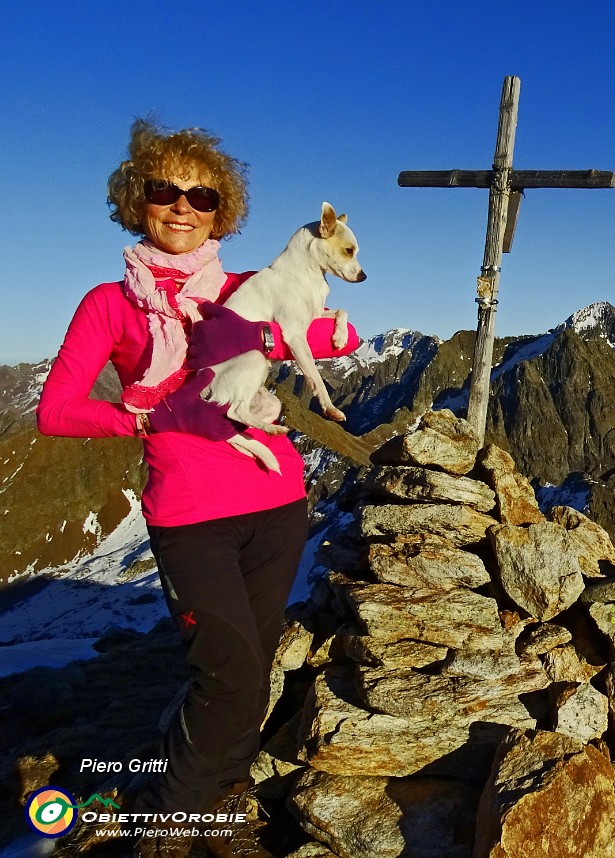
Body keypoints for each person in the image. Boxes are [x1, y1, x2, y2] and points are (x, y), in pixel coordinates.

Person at [36, 118, 359, 858]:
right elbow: (57, 411)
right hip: (190, 515)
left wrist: (317, 334)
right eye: (164, 190)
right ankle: (170, 819)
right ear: (136, 201)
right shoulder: (109, 305)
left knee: (256, 660)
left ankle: (227, 798)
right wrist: (141, 414)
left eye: (203, 195)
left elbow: (338, 338)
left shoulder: (252, 287)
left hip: (276, 505)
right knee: (229, 670)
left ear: (224, 211)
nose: (183, 206)